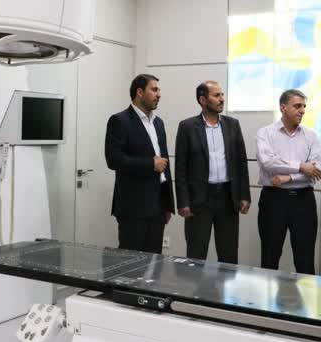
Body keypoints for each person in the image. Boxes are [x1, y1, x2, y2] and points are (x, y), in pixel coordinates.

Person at [174, 81, 251, 263]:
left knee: (229, 254)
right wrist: (183, 201)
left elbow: (241, 163)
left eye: (222, 95)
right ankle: (194, 283)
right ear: (203, 100)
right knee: (196, 253)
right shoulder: (187, 127)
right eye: (216, 95)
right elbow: (180, 168)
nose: (222, 99)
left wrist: (244, 195)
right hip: (199, 199)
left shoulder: (233, 125)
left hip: (227, 197)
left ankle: (227, 283)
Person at [105, 74, 174, 253]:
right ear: (140, 92)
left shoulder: (158, 123)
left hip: (158, 206)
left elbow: (164, 165)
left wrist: (168, 204)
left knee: (155, 261)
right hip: (133, 207)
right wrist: (150, 164)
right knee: (131, 263)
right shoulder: (120, 121)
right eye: (154, 89)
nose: (159, 94)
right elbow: (113, 160)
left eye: (159, 90)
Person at [256, 89, 321, 274]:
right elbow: (268, 162)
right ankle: (267, 295)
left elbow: (315, 170)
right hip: (273, 199)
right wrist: (300, 167)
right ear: (283, 107)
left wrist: (289, 177)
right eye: (297, 106)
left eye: (304, 107)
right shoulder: (265, 133)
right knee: (269, 257)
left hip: (303, 201)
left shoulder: (311, 135)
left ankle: (306, 294)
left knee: (305, 260)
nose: (302, 111)